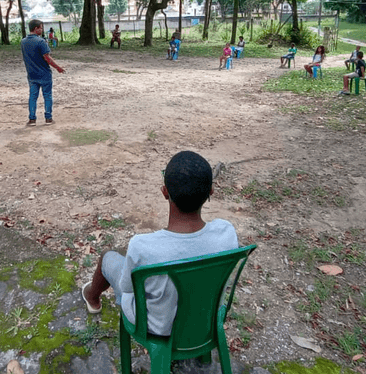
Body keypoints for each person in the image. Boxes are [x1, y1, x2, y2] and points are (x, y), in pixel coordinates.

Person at [80, 150, 238, 337]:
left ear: (165, 192)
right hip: (204, 320)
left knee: (108, 256)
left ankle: (92, 296)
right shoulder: (227, 233)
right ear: (211, 192)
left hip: (156, 327)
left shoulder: (143, 246)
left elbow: (127, 288)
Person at [21, 19, 65, 126]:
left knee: (32, 96)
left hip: (31, 74)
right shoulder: (41, 42)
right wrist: (58, 67)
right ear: (36, 28)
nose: (41, 29)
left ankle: (32, 119)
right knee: (47, 95)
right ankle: (48, 118)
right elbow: (47, 58)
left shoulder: (23, 42)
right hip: (44, 73)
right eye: (40, 27)